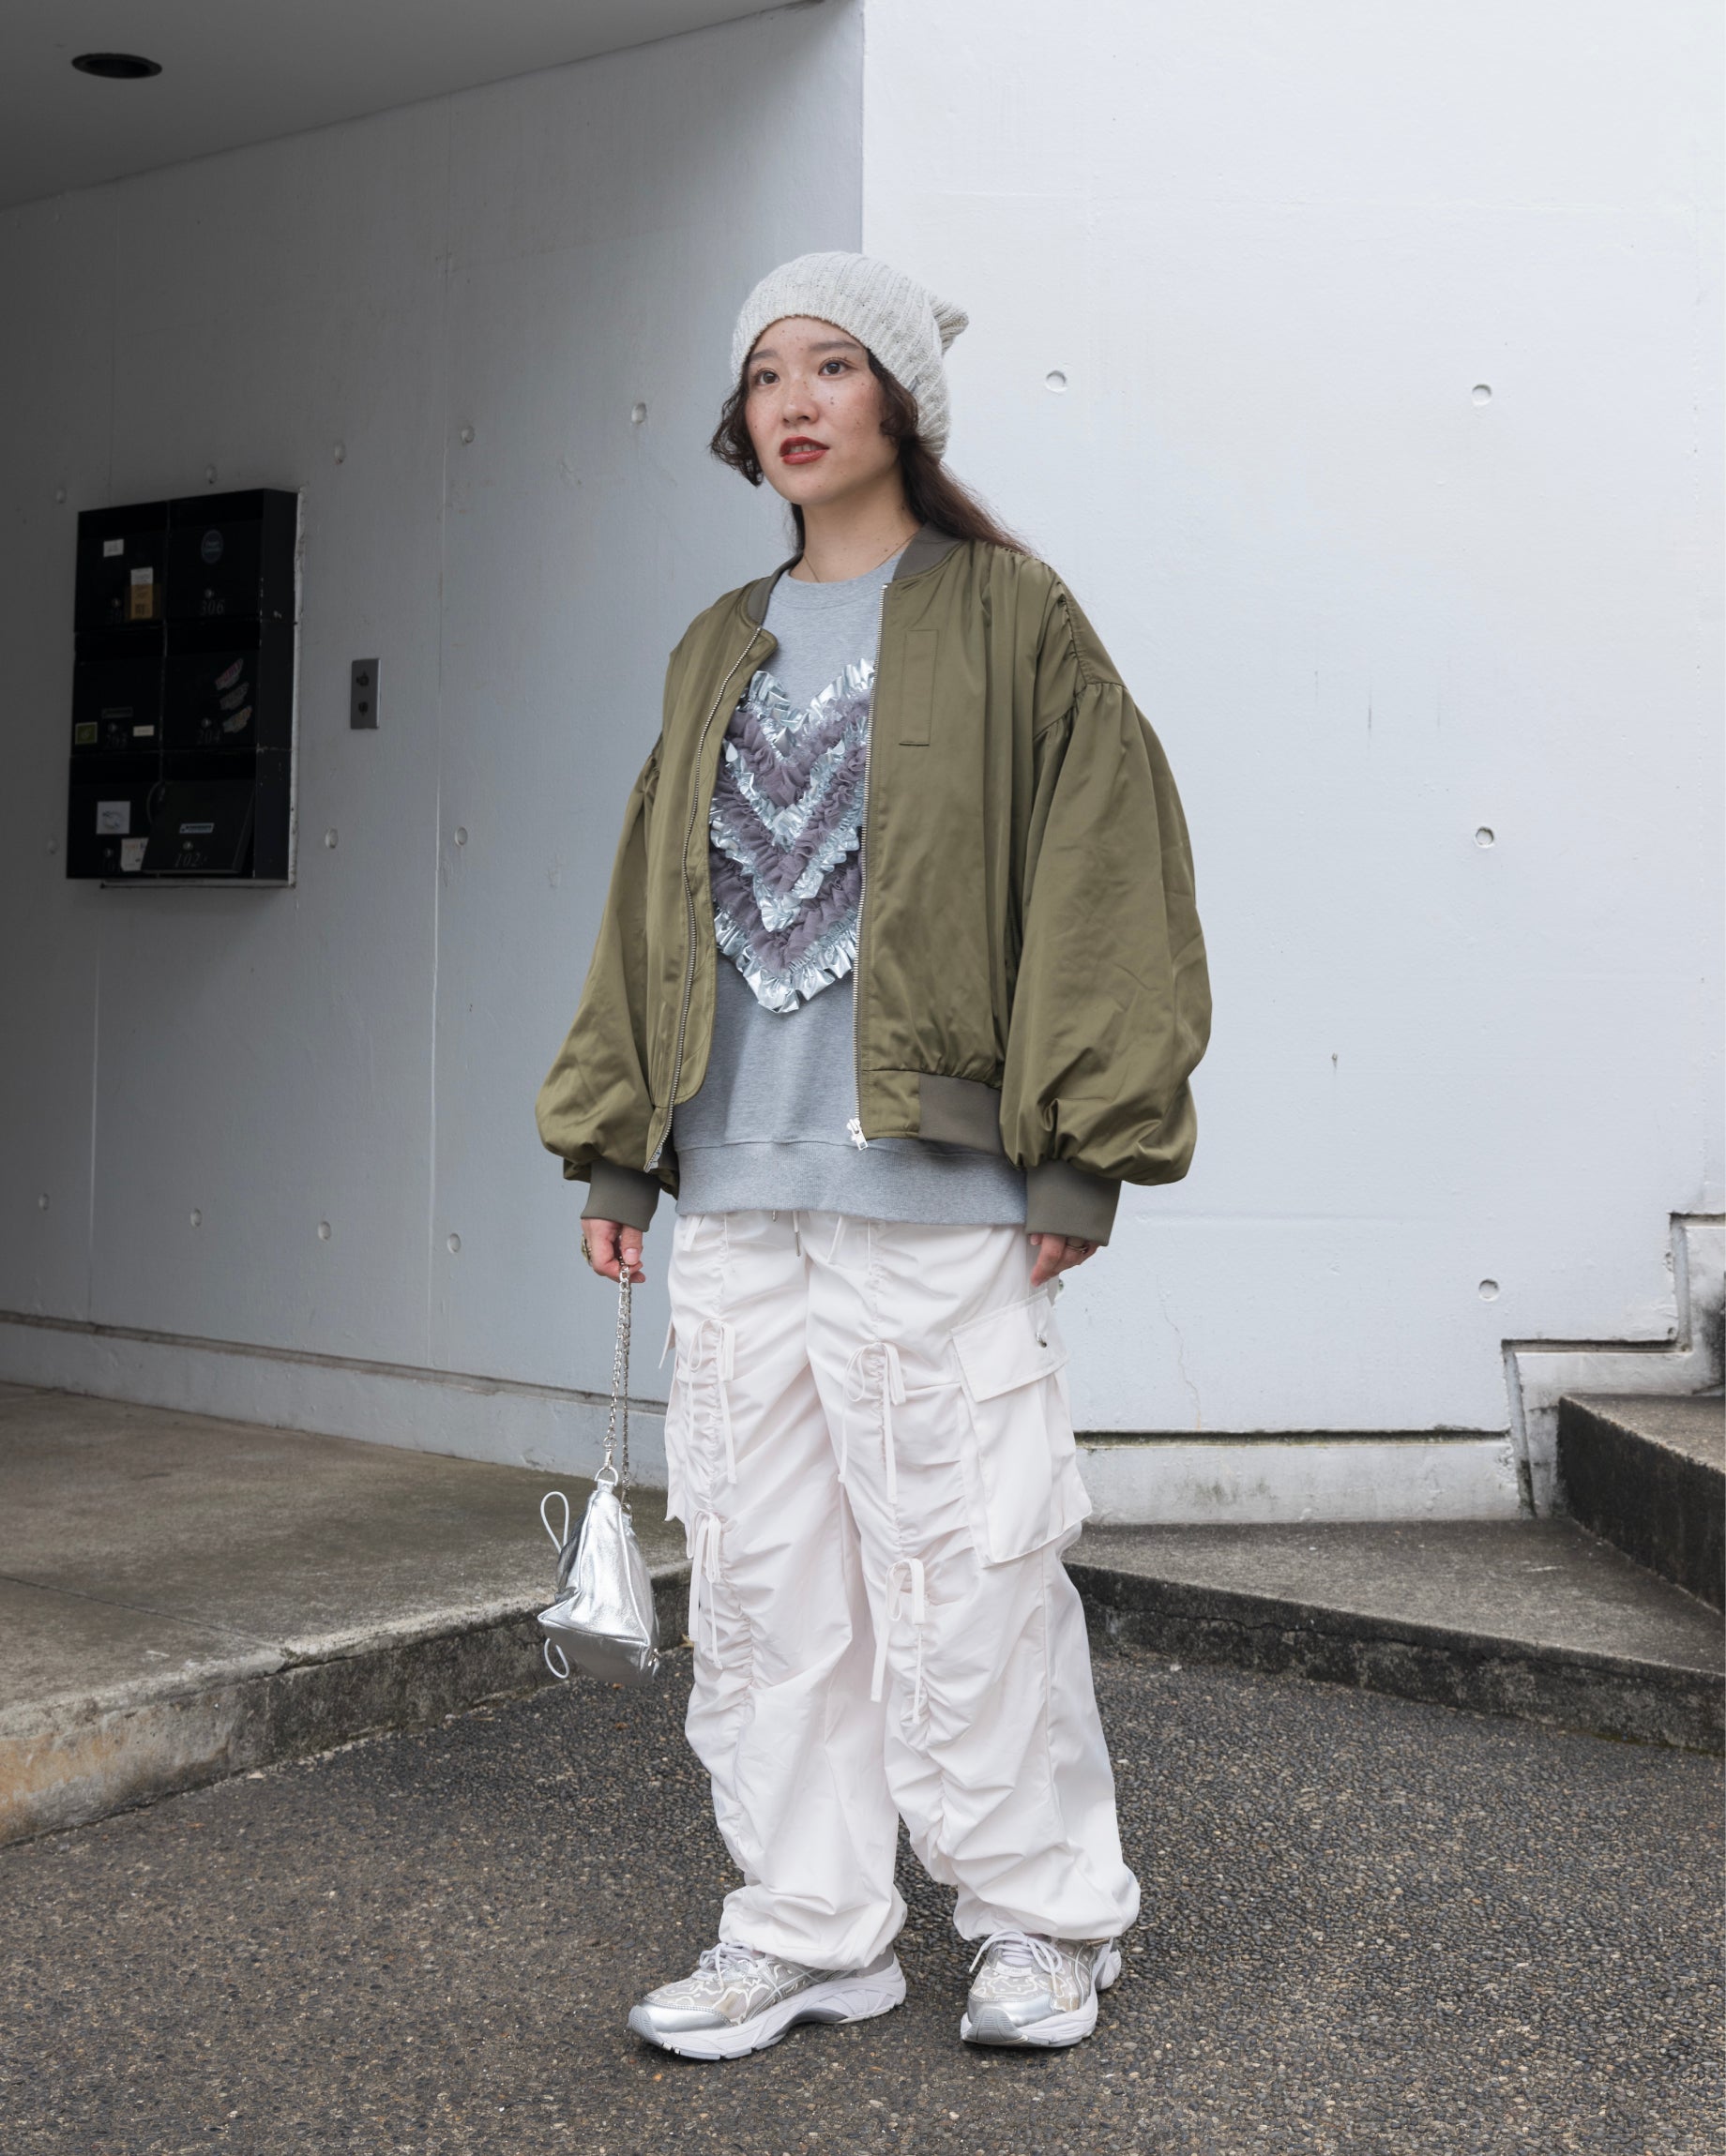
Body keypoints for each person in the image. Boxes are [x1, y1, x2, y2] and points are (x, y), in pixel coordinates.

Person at [535, 251, 1210, 2060]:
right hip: (738, 1188)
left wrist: (1081, 1157)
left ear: (903, 401)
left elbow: (1107, 871)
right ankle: (809, 1927)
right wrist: (619, 1152)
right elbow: (646, 898)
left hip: (933, 1188)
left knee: (967, 1571)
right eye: (768, 374)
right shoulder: (716, 641)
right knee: (764, 1588)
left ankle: (1044, 1920)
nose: (796, 401)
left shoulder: (1011, 615)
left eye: (834, 365)